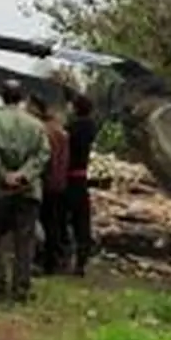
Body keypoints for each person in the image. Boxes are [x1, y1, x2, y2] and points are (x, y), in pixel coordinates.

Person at [0, 79, 50, 303]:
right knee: (25, 242)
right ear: (21, 99)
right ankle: (21, 288)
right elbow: (43, 155)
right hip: (28, 191)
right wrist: (25, 175)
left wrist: (3, 175)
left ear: (2, 96)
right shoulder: (36, 125)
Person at [29, 94, 69, 274]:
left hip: (46, 182)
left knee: (42, 222)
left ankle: (44, 260)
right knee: (54, 222)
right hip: (60, 182)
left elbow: (43, 159)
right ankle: (55, 260)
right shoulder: (61, 131)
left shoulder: (43, 131)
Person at [63, 92, 98, 275]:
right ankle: (81, 261)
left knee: (62, 219)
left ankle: (63, 258)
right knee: (82, 222)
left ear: (75, 108)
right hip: (82, 177)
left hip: (67, 177)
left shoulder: (70, 129)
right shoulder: (91, 127)